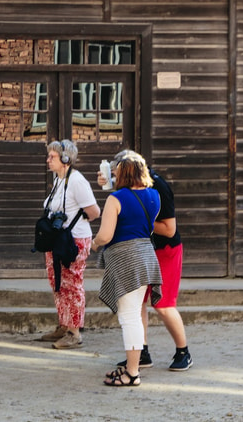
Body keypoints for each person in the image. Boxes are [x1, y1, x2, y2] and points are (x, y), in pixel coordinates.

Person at [98, 153, 193, 373]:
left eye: (116, 173)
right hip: (144, 249)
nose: (115, 177)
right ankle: (142, 353)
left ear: (128, 170)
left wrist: (135, 219)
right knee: (137, 302)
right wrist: (108, 185)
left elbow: (169, 229)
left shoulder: (157, 186)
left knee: (163, 305)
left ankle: (183, 351)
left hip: (166, 250)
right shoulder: (132, 185)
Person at [91, 150, 163, 387]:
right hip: (146, 256)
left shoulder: (116, 199)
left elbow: (106, 234)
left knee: (129, 316)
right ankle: (132, 367)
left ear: (122, 174)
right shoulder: (154, 196)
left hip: (125, 258)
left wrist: (94, 243)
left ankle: (132, 372)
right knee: (133, 314)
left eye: (115, 172)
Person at [36, 140, 100, 350]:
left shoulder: (77, 181)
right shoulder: (59, 180)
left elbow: (94, 212)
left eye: (52, 156)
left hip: (75, 241)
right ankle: (64, 325)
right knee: (58, 283)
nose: (48, 160)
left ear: (65, 159)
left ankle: (74, 332)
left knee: (72, 284)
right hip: (59, 239)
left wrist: (76, 221)